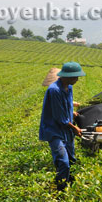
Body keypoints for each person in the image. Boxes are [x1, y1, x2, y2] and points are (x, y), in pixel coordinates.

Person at [39, 62, 85, 191]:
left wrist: (72, 113)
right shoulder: (54, 90)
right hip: (54, 130)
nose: (76, 80)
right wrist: (74, 127)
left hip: (66, 129)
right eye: (75, 77)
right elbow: (59, 118)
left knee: (71, 159)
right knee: (63, 162)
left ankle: (70, 186)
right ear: (66, 76)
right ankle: (60, 190)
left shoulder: (68, 87)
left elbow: (67, 104)